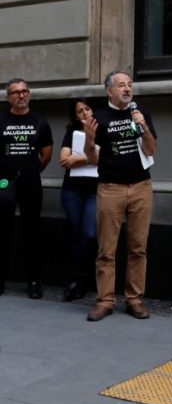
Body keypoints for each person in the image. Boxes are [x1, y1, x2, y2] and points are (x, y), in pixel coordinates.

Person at [83, 70, 157, 321]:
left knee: (138, 247)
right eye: (121, 85)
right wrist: (90, 141)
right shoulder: (99, 117)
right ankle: (105, 301)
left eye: (129, 85)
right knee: (107, 249)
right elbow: (93, 159)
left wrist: (143, 126)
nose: (127, 89)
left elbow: (151, 149)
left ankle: (134, 299)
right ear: (109, 91)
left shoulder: (141, 113)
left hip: (141, 187)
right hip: (111, 188)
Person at [0, 79, 53, 298]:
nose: (21, 95)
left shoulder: (40, 122)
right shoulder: (1, 121)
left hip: (30, 181)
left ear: (29, 94)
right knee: (2, 231)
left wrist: (31, 170)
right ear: (8, 97)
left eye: (24, 91)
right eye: (15, 92)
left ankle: (33, 281)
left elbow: (46, 153)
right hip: (4, 182)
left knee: (32, 231)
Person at [58, 98, 98, 301]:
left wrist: (80, 158)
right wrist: (92, 156)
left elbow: (106, 155)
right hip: (72, 192)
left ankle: (84, 278)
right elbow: (64, 160)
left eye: (87, 108)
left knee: (89, 234)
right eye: (79, 111)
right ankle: (77, 281)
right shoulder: (71, 134)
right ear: (75, 116)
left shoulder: (103, 131)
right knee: (75, 234)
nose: (84, 113)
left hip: (95, 193)